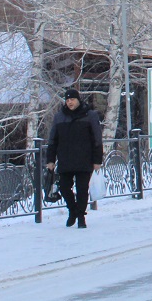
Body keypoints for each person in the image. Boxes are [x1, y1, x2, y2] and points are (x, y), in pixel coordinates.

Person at [45, 87, 103, 228]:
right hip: (66, 159)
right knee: (64, 188)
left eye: (72, 99)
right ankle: (73, 211)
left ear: (78, 100)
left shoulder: (89, 115)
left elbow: (97, 139)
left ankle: (81, 217)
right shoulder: (59, 117)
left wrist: (97, 160)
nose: (69, 102)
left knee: (82, 189)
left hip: (84, 158)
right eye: (67, 100)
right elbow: (53, 140)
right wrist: (50, 160)